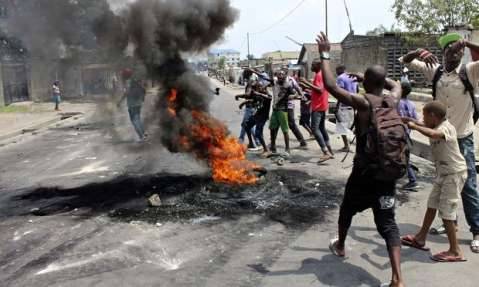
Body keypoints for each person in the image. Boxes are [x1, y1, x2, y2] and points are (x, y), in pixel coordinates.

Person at [316, 32, 405, 287]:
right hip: (388, 173)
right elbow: (395, 83)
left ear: (366, 83)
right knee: (388, 223)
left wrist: (325, 54)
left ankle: (341, 246)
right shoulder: (393, 99)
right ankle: (397, 278)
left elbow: (332, 86)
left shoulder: (363, 103)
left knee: (347, 209)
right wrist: (370, 77)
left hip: (364, 175)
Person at [400, 32, 479, 253]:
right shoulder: (434, 71)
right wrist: (416, 52)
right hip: (439, 139)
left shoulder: (469, 71)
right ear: (444, 52)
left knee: (469, 185)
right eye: (452, 49)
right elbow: (404, 62)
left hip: (462, 138)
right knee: (444, 184)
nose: (457, 53)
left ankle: (476, 231)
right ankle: (450, 223)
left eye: (460, 50)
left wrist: (468, 42)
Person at [401, 102, 467, 263]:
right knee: (432, 205)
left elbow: (433, 134)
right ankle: (421, 238)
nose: (422, 119)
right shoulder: (436, 123)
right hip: (443, 173)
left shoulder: (445, 128)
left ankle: (455, 250)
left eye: (424, 115)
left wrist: (414, 127)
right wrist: (408, 119)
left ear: (433, 116)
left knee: (446, 212)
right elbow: (425, 125)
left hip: (453, 173)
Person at [300, 60, 334, 163]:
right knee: (322, 128)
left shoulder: (319, 75)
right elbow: (318, 91)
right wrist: (306, 86)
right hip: (321, 105)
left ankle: (325, 152)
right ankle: (330, 151)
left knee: (315, 129)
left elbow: (319, 90)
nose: (311, 66)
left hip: (318, 106)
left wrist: (306, 83)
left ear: (318, 66)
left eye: (312, 65)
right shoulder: (321, 74)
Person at [397, 80, 419, 191]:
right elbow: (415, 119)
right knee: (403, 156)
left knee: (402, 157)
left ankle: (413, 180)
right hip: (406, 133)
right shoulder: (411, 104)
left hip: (398, 134)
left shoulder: (397, 103)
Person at [119, 68, 147, 142]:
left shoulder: (128, 83)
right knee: (137, 118)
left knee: (134, 121)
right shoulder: (135, 81)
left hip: (132, 104)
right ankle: (144, 132)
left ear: (125, 76)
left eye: (123, 75)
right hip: (138, 103)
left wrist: (120, 101)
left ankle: (141, 136)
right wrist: (142, 98)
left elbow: (126, 93)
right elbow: (143, 89)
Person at [335, 65, 357, 152]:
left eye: (336, 71)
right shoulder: (352, 77)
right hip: (353, 104)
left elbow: (340, 93)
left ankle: (346, 146)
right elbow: (357, 90)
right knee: (352, 125)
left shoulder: (340, 78)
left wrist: (337, 106)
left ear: (339, 70)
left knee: (341, 126)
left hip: (344, 105)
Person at [286, 70, 308, 149]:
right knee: (275, 125)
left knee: (291, 124)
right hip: (278, 106)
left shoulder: (291, 80)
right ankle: (273, 144)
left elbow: (298, 89)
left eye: (286, 70)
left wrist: (301, 96)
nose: (283, 72)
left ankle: (302, 141)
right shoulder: (277, 80)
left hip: (289, 106)